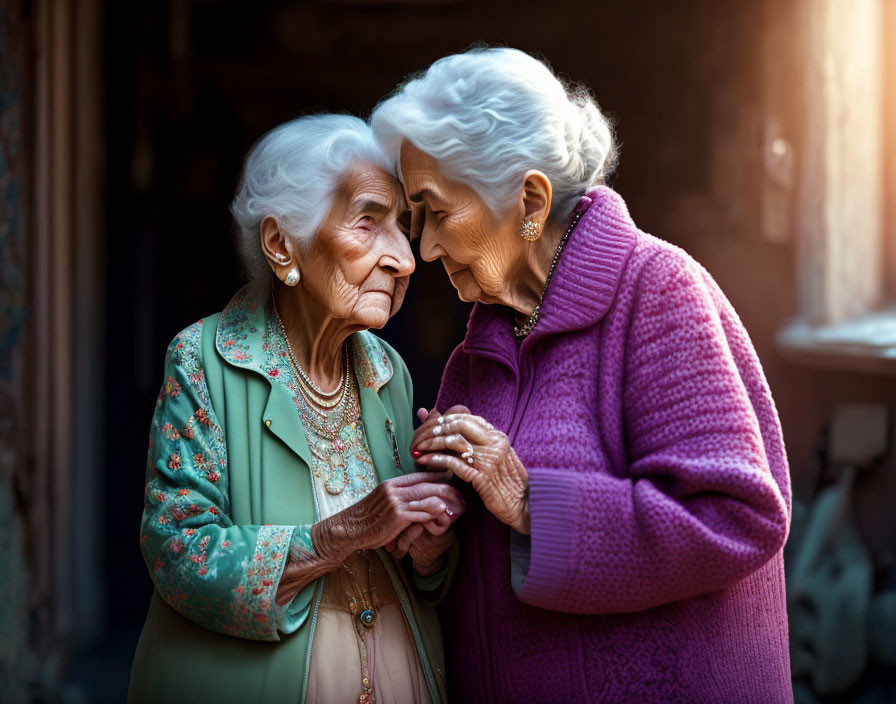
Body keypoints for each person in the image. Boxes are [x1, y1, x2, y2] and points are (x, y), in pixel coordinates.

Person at [371, 47, 793, 703]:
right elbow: (477, 581)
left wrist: (530, 500)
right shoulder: (474, 357)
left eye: (437, 211)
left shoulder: (658, 291)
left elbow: (737, 519)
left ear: (531, 200)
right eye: (414, 217)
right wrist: (436, 547)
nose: (422, 249)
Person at [128, 114, 460, 704]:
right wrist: (343, 533)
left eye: (403, 230)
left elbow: (421, 575)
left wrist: (430, 544)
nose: (405, 259)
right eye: (368, 222)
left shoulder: (389, 371)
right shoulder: (204, 359)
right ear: (283, 244)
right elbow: (178, 550)